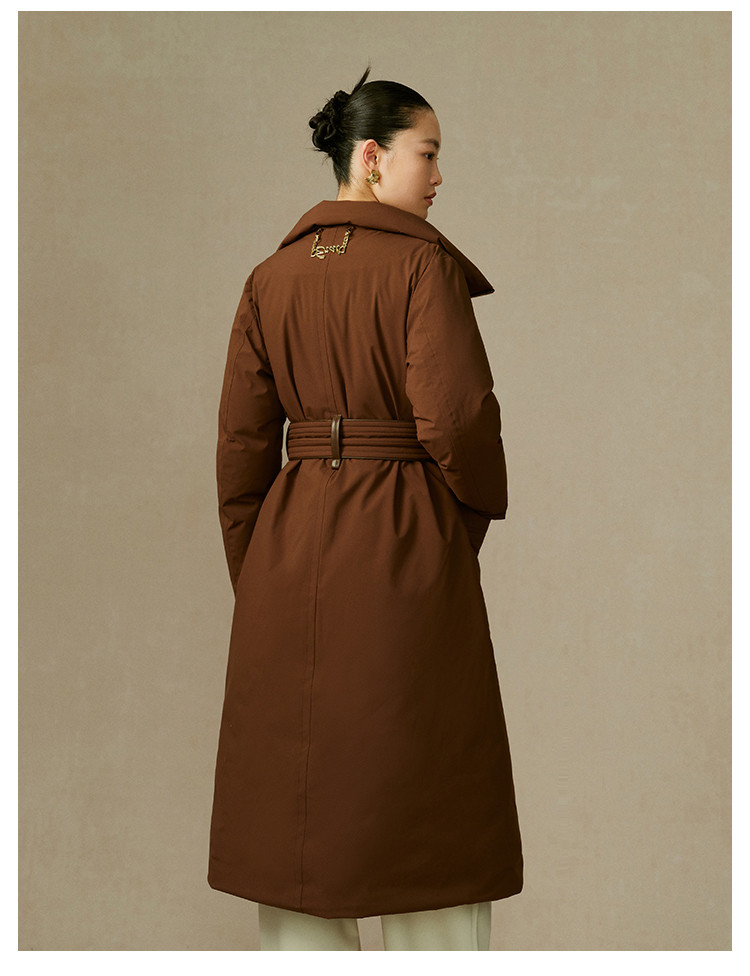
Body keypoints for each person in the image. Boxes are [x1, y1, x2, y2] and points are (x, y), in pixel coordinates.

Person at [208, 67, 523, 951]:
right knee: (430, 818)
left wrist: (260, 575)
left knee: (300, 842)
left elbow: (239, 451)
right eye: (429, 154)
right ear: (374, 157)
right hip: (401, 539)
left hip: (287, 548)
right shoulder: (422, 263)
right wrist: (450, 535)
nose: (439, 176)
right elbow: (459, 419)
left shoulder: (269, 278)